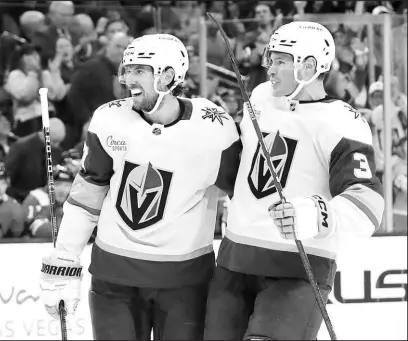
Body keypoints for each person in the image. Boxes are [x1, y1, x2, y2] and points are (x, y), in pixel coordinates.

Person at [39, 33, 240, 340]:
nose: (128, 78)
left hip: (186, 284)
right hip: (113, 279)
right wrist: (65, 258)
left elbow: (242, 198)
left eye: (140, 71)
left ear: (169, 75)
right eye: (127, 69)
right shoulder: (109, 119)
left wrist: (238, 268)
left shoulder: (214, 126)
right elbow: (88, 194)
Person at [204, 21, 384, 340]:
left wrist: (315, 215)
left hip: (298, 270)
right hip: (234, 261)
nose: (270, 69)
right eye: (270, 59)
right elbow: (245, 171)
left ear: (310, 66)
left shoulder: (343, 123)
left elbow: (367, 204)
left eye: (281, 61)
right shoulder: (259, 98)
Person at [5, 117, 66, 202]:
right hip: (22, 198)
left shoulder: (57, 150)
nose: (56, 145)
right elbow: (8, 177)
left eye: (59, 142)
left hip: (48, 200)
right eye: (54, 141)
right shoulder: (21, 147)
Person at [22, 164, 75, 238]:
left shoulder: (75, 198)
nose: (62, 190)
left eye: (67, 185)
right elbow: (36, 228)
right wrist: (75, 233)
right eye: (57, 184)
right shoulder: (36, 197)